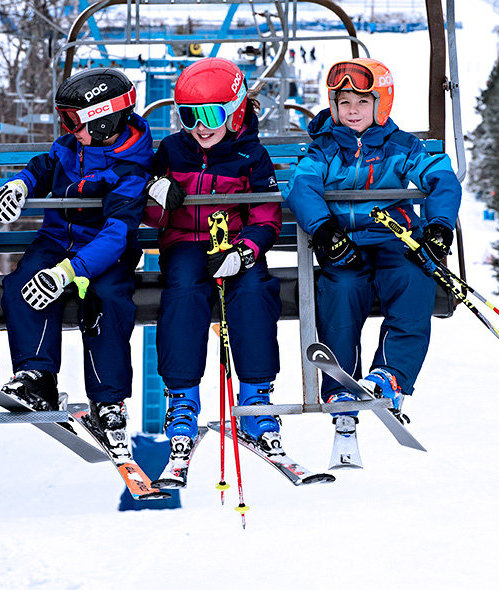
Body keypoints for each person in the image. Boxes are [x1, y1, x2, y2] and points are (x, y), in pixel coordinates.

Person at [282, 58, 462, 436]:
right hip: (344, 244)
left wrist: (439, 228)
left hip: (394, 239)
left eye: (363, 102)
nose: (352, 111)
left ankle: (390, 376)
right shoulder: (324, 149)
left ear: (381, 104)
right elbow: (303, 185)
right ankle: (340, 386)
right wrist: (326, 231)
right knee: (342, 289)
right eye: (344, 103)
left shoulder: (402, 147)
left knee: (414, 278)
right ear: (333, 106)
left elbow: (441, 176)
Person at [0, 68, 154, 459]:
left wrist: (69, 272)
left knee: (107, 301)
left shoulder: (131, 168)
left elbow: (116, 234)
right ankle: (36, 376)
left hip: (105, 254)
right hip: (54, 242)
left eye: (72, 120)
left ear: (103, 122)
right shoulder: (70, 146)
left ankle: (108, 401)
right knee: (21, 286)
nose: (65, 128)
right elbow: (43, 166)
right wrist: (22, 185)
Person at [142, 57, 283, 478]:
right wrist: (157, 195)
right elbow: (150, 212)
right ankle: (182, 399)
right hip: (185, 244)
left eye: (211, 115)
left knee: (254, 291)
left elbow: (265, 214)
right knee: (183, 292)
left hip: (235, 245)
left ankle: (256, 398)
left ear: (236, 109)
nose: (200, 127)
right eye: (189, 116)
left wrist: (246, 251)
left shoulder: (251, 156)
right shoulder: (171, 151)